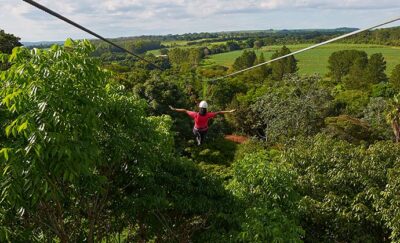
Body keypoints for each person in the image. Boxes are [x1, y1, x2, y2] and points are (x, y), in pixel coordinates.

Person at [169, 101, 235, 145]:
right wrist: (229, 111)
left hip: (196, 129)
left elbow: (184, 110)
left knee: (196, 133)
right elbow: (219, 112)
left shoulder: (195, 114)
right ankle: (200, 139)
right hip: (205, 130)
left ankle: (198, 138)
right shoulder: (208, 115)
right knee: (202, 137)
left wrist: (174, 109)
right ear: (206, 109)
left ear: (200, 108)